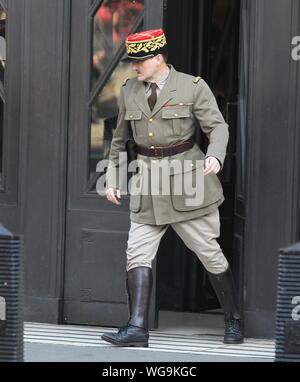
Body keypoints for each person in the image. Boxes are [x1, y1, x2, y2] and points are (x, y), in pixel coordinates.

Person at [101, 29, 243, 347]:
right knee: (137, 253)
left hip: (188, 183)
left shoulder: (192, 87)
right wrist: (113, 177)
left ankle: (233, 319)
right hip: (147, 185)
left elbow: (217, 127)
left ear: (159, 58)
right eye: (132, 62)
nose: (134, 67)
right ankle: (137, 327)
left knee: (209, 254)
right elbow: (120, 139)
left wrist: (215, 156)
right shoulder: (129, 90)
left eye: (140, 61)